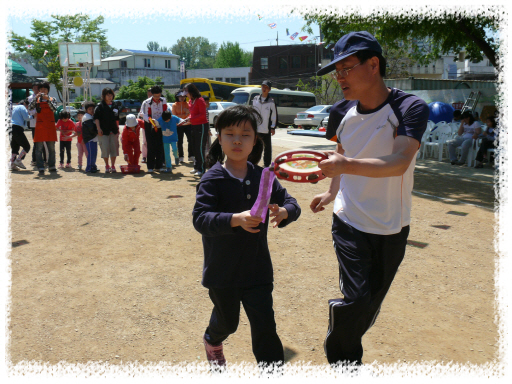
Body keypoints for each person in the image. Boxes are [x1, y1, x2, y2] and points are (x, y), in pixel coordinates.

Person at [309, 31, 429, 367]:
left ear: (373, 64)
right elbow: (343, 151)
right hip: (349, 221)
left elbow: (399, 161)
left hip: (393, 226)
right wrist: (332, 191)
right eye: (336, 71)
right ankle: (344, 365)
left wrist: (344, 165)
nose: (339, 77)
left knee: (368, 308)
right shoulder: (340, 112)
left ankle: (346, 332)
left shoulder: (409, 107)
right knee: (358, 301)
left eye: (346, 68)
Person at [192, 104, 301, 369]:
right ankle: (212, 339)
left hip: (257, 270)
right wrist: (235, 219)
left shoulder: (264, 177)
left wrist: (285, 211)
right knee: (228, 322)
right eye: (229, 133)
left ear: (255, 141)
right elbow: (200, 219)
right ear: (219, 138)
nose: (237, 140)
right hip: (223, 272)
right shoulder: (212, 179)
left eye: (245, 134)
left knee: (265, 327)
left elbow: (291, 202)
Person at [178, 83, 209, 176]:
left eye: (186, 91)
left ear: (191, 91)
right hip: (194, 125)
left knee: (200, 148)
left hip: (202, 125)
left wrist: (190, 119)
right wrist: (186, 120)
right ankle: (196, 167)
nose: (185, 93)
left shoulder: (200, 100)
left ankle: (202, 169)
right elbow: (192, 114)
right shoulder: (191, 101)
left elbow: (202, 115)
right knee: (194, 147)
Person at [28, 81, 58, 176]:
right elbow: (30, 108)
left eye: (45, 89)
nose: (42, 91)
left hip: (50, 126)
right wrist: (35, 99)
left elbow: (54, 109)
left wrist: (48, 100)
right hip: (40, 126)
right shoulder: (37, 100)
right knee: (38, 148)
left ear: (48, 90)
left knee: (51, 148)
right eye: (41, 89)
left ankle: (52, 165)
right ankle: (41, 167)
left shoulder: (53, 99)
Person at [140, 85, 168, 173]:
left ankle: (159, 166)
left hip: (160, 125)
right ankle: (150, 167)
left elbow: (165, 111)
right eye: (155, 96)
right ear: (152, 94)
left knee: (160, 146)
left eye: (158, 96)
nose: (157, 98)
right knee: (151, 145)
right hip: (150, 125)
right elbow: (142, 113)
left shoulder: (163, 100)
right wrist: (149, 120)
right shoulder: (146, 102)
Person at [251, 80, 277, 168]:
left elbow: (274, 115)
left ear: (269, 89)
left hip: (266, 129)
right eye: (263, 86)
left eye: (266, 87)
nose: (264, 89)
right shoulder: (255, 99)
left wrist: (273, 127)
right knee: (255, 146)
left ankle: (266, 164)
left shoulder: (271, 101)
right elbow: (253, 112)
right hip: (256, 128)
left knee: (267, 148)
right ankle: (253, 162)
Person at [94, 87, 120, 173]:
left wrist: (117, 128)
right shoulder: (99, 106)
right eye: (107, 95)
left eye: (111, 95)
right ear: (103, 96)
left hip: (113, 130)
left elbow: (117, 118)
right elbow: (96, 118)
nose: (109, 97)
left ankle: (113, 165)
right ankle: (107, 165)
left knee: (114, 149)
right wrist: (98, 128)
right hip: (103, 131)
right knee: (105, 148)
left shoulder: (115, 105)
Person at [9, 98, 32, 170]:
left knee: (15, 147)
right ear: (25, 104)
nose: (27, 109)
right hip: (17, 128)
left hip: (11, 128)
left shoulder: (15, 108)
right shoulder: (22, 107)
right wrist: (33, 116)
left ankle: (12, 163)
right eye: (28, 107)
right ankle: (18, 160)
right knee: (27, 146)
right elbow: (26, 118)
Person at [172, 91, 192, 163]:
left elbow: (190, 115)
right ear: (177, 97)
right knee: (179, 141)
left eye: (183, 96)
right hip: (179, 125)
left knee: (190, 140)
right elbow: (174, 116)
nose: (182, 98)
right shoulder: (174, 105)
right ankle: (181, 156)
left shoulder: (188, 104)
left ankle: (191, 156)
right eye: (180, 96)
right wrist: (185, 114)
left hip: (188, 124)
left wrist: (186, 113)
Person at [82, 101, 99, 173]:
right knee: (91, 153)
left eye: (92, 109)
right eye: (89, 109)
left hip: (93, 138)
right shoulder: (87, 117)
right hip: (89, 139)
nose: (91, 110)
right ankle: (89, 168)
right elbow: (91, 129)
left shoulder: (90, 116)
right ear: (86, 110)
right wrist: (98, 132)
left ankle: (93, 166)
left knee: (94, 153)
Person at [27, 82, 41, 166]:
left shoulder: (43, 97)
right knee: (35, 141)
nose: (36, 90)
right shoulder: (29, 99)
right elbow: (28, 110)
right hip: (34, 123)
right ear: (32, 89)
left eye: (37, 88)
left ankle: (43, 159)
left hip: (42, 122)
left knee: (43, 141)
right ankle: (34, 159)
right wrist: (35, 113)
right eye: (35, 88)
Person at [203, 96, 213, 162]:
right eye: (207, 102)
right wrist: (208, 130)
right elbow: (206, 121)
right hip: (205, 130)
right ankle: (206, 159)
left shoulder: (205, 110)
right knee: (207, 145)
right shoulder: (204, 111)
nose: (208, 104)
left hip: (202, 129)